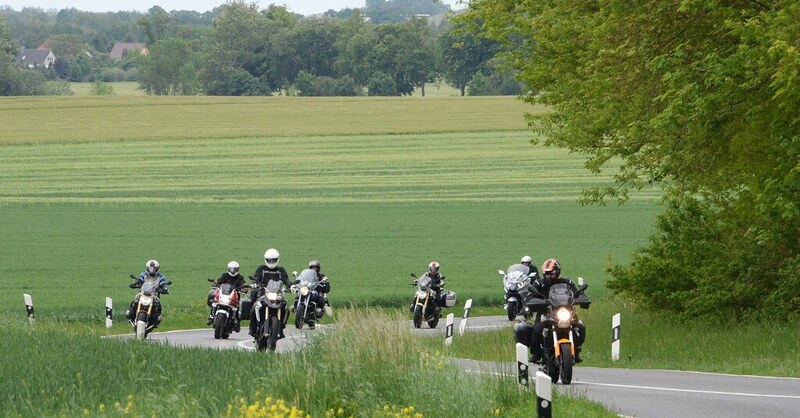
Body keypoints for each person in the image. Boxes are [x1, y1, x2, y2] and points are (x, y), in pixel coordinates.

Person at [526, 258, 586, 363]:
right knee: (538, 328)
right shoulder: (539, 283)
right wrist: (534, 301)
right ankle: (536, 354)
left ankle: (576, 352)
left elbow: (577, 293)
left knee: (580, 327)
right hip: (546, 312)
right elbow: (530, 296)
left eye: (551, 273)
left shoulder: (567, 283)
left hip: (566, 311)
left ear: (557, 271)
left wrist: (582, 298)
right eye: (546, 273)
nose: (549, 276)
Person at [248, 248, 298, 338]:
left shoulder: (280, 270)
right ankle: (253, 329)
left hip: (277, 294)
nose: (271, 262)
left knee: (285, 308)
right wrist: (254, 284)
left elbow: (286, 279)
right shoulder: (261, 269)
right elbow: (256, 277)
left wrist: (291, 286)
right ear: (266, 259)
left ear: (277, 260)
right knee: (254, 308)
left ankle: (281, 328)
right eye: (269, 260)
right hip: (263, 294)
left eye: (273, 260)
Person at [126, 259, 170, 324]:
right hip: (143, 294)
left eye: (154, 268)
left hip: (154, 295)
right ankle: (130, 313)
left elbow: (164, 283)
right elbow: (139, 279)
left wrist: (164, 288)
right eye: (150, 268)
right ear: (147, 268)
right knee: (135, 299)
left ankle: (157, 317)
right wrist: (135, 284)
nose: (152, 270)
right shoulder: (144, 274)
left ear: (157, 269)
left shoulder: (160, 277)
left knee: (158, 305)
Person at [206, 260, 246, 326]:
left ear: (237, 269)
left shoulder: (240, 277)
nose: (233, 270)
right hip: (224, 294)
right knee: (215, 301)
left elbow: (243, 285)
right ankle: (211, 317)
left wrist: (244, 289)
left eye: (234, 269)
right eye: (231, 269)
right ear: (228, 268)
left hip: (234, 295)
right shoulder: (225, 275)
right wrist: (215, 283)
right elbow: (219, 281)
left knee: (238, 305)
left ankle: (236, 319)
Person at [306, 259, 330, 328]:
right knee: (300, 294)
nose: (314, 269)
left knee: (321, 296)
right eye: (312, 267)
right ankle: (296, 307)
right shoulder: (307, 275)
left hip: (317, 291)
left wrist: (325, 284)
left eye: (315, 267)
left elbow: (327, 286)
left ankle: (321, 309)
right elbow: (302, 280)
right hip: (309, 291)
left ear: (318, 268)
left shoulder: (321, 276)